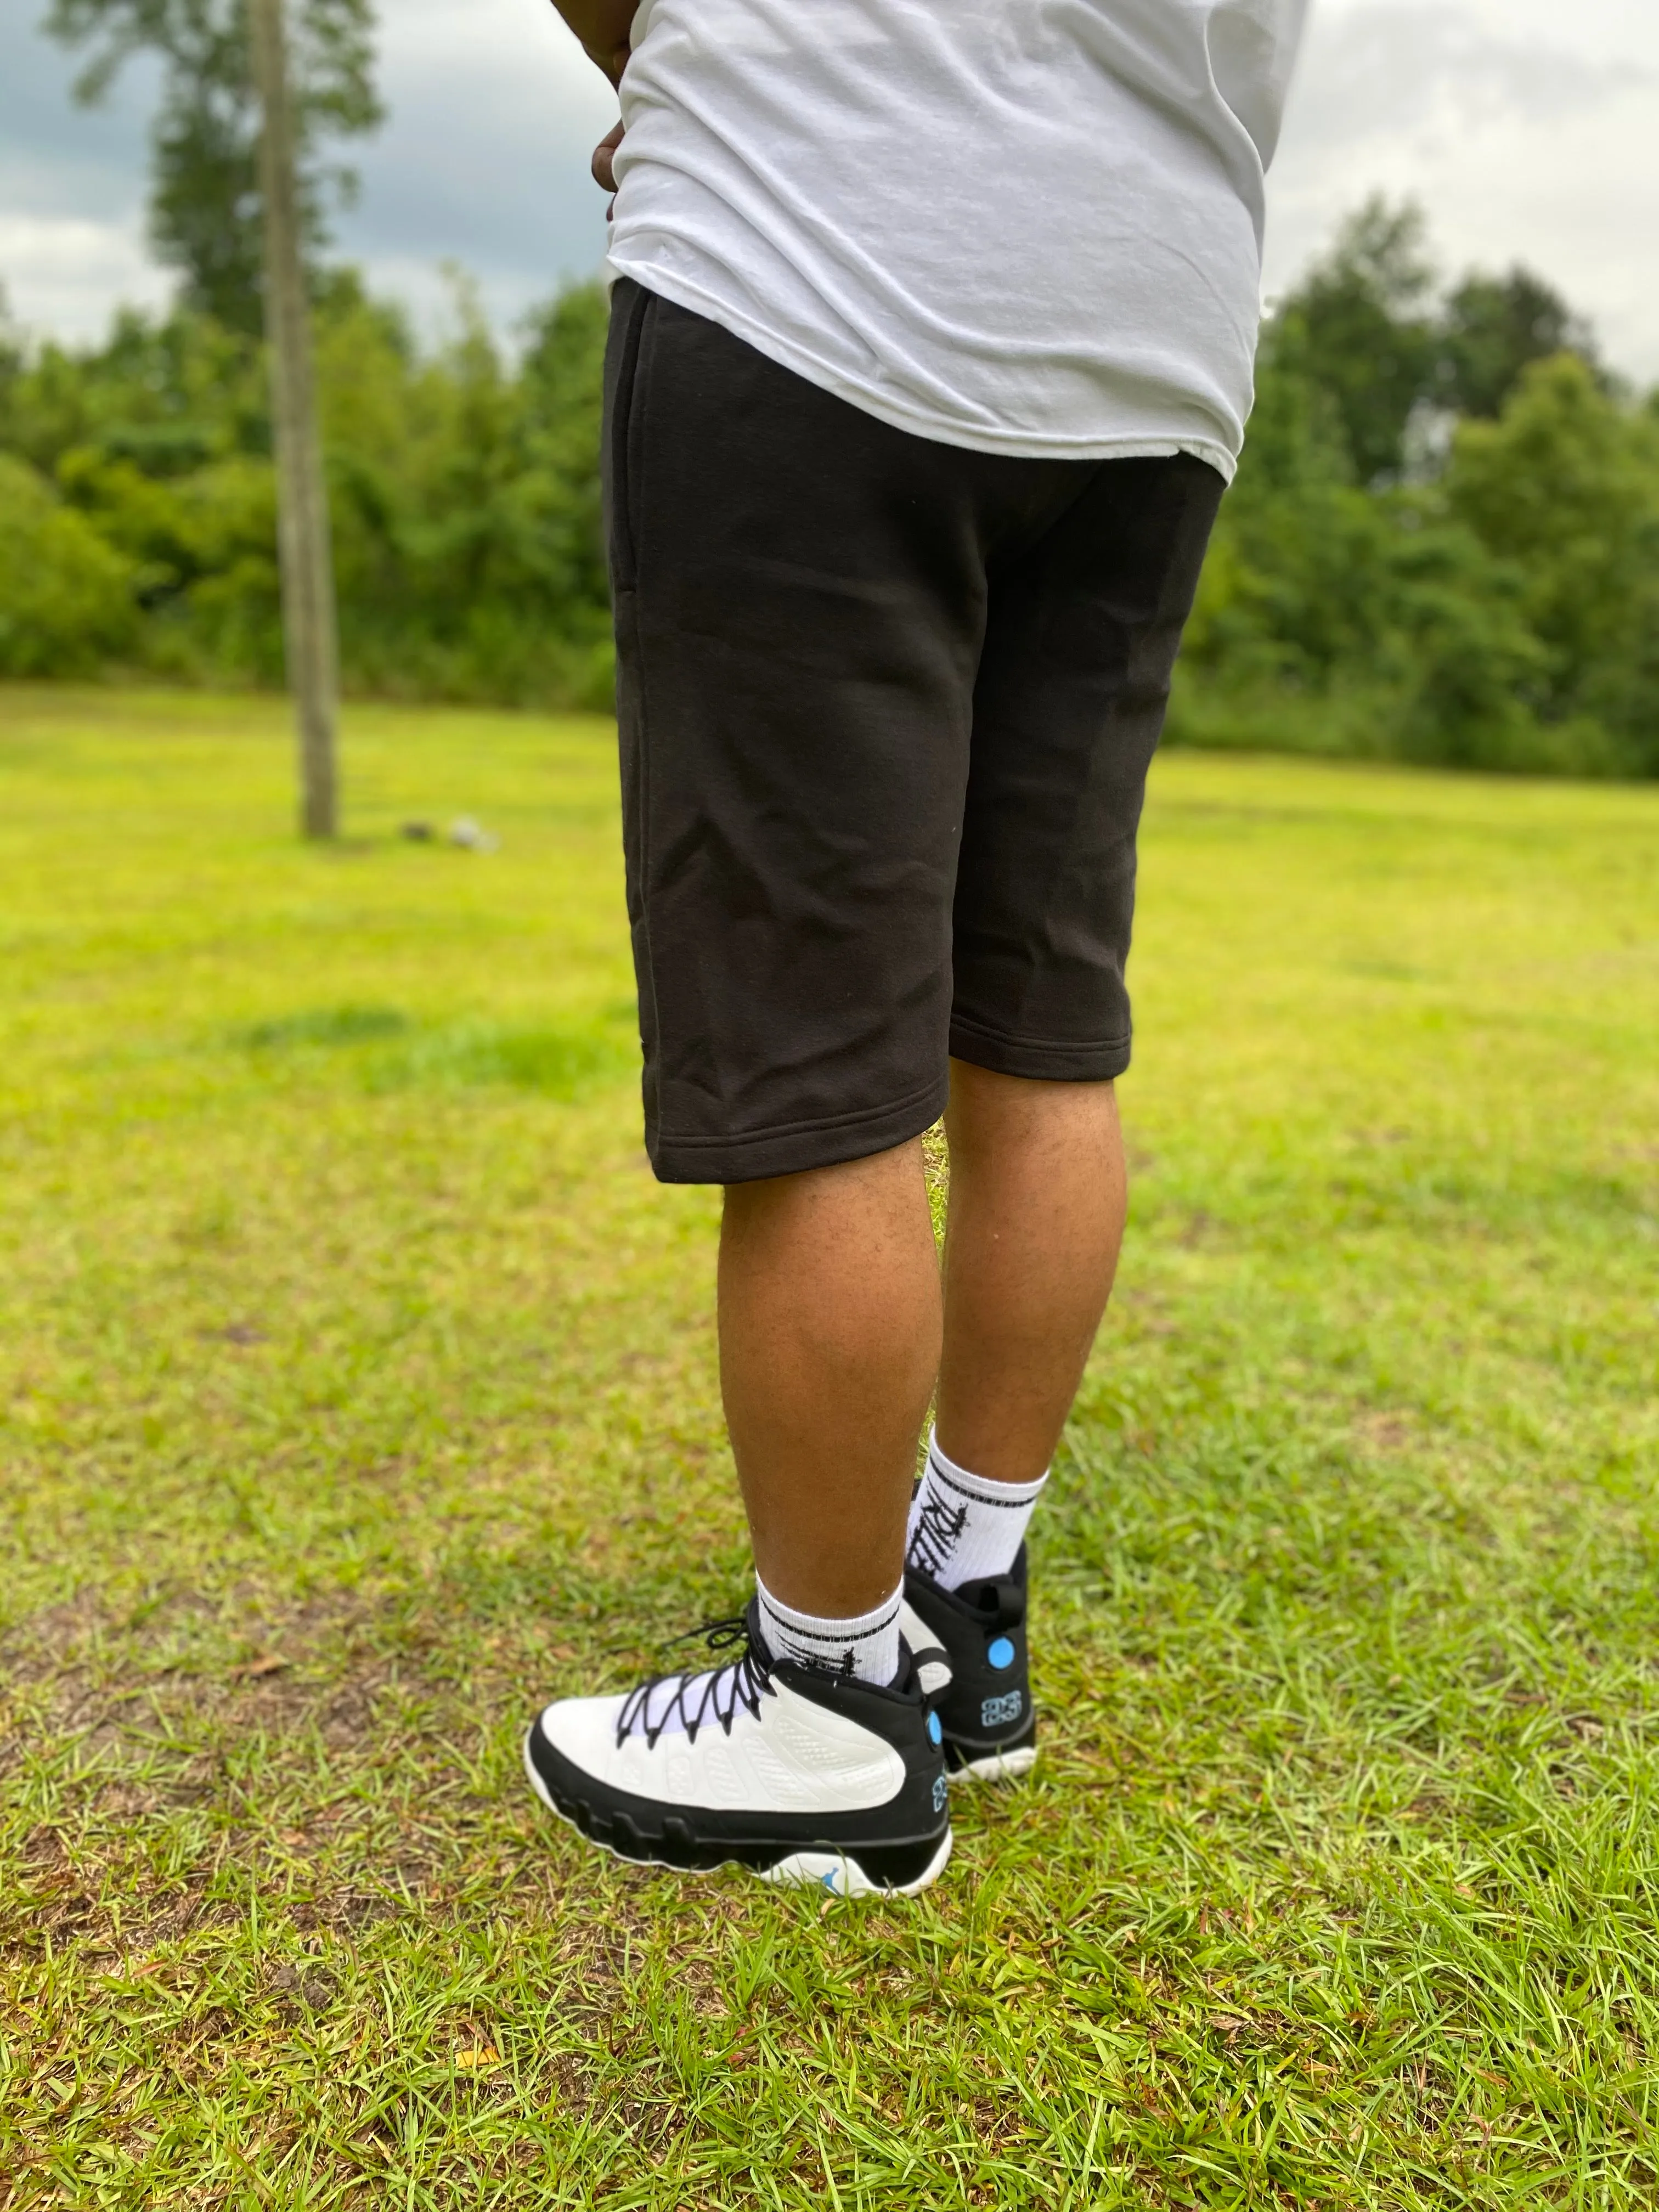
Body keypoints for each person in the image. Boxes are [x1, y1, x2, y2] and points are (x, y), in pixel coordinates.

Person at [524, 0, 1309, 1898]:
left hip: (820, 246)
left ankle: (828, 1709)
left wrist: (684, 69)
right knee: (1042, 1020)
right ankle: (965, 1608)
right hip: (1157, 323)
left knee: (811, 1044)